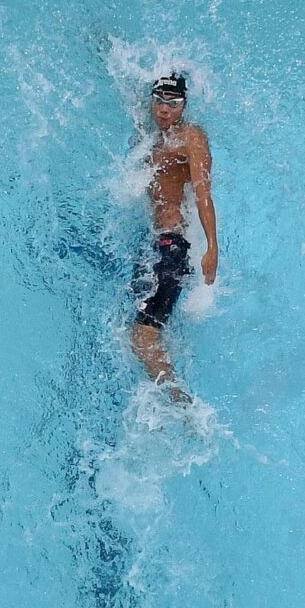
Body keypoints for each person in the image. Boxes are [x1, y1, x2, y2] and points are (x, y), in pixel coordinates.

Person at [129, 73, 218, 403]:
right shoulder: (151, 141)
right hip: (156, 246)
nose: (164, 109)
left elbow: (203, 193)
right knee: (144, 331)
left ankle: (182, 405)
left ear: (184, 105)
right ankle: (174, 399)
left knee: (142, 336)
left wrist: (212, 248)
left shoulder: (191, 136)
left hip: (173, 248)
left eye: (173, 102)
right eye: (158, 101)